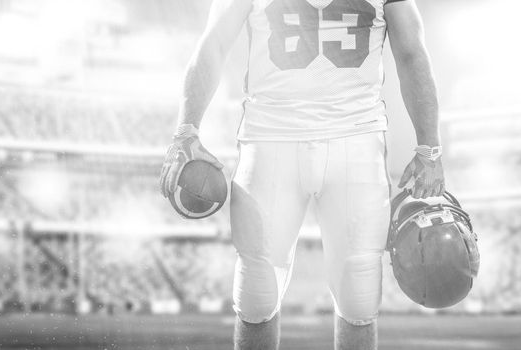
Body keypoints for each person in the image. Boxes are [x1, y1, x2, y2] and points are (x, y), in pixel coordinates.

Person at [159, 0, 444, 348]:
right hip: (270, 137)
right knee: (257, 296)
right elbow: (214, 42)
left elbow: (412, 53)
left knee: (359, 298)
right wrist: (185, 130)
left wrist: (430, 146)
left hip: (355, 138)